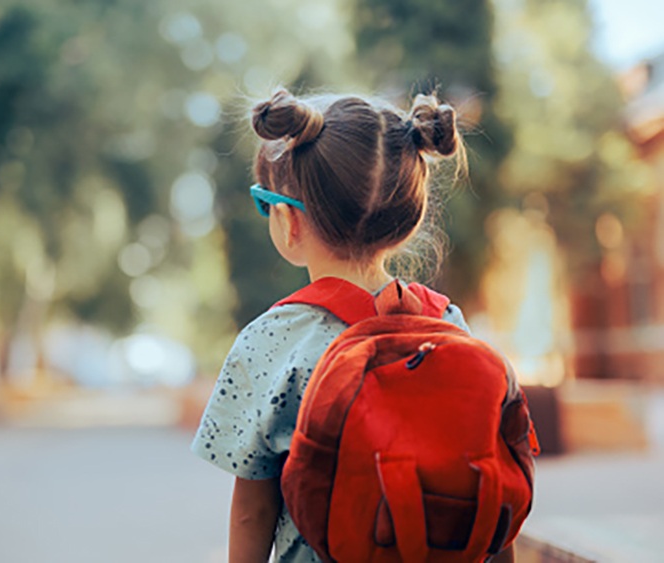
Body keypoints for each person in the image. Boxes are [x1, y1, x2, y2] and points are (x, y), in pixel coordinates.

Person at [191, 88, 515, 562]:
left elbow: (252, 510)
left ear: (288, 220)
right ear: (410, 217)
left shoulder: (270, 341)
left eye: (267, 204)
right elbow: (489, 475)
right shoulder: (448, 323)